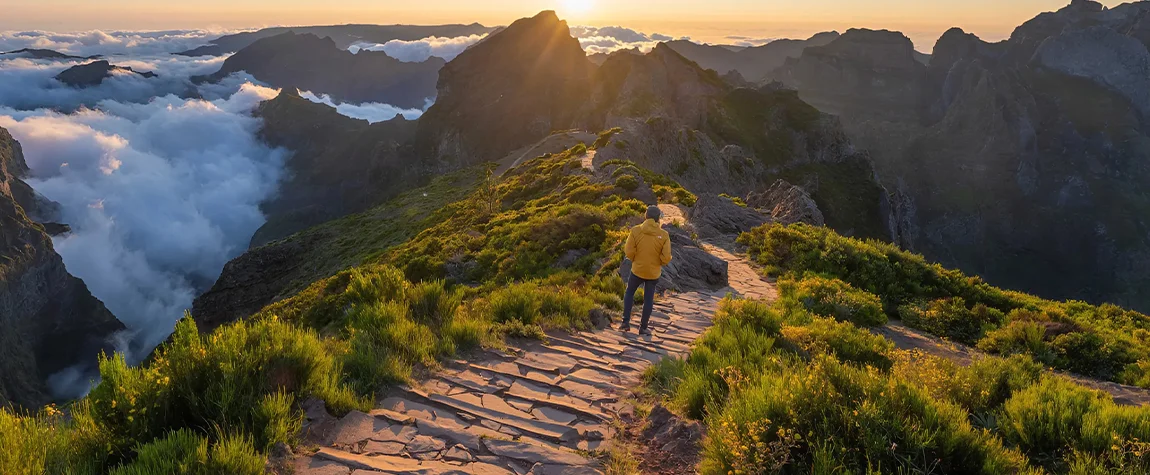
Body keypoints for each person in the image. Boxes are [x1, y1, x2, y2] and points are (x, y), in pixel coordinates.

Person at [620, 205, 672, 335]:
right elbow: (666, 257)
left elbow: (629, 251)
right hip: (653, 273)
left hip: (637, 269)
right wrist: (658, 263)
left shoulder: (635, 230)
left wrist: (635, 260)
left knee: (629, 293)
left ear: (646, 216)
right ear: (658, 218)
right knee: (648, 299)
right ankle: (643, 328)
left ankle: (625, 322)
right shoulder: (664, 235)